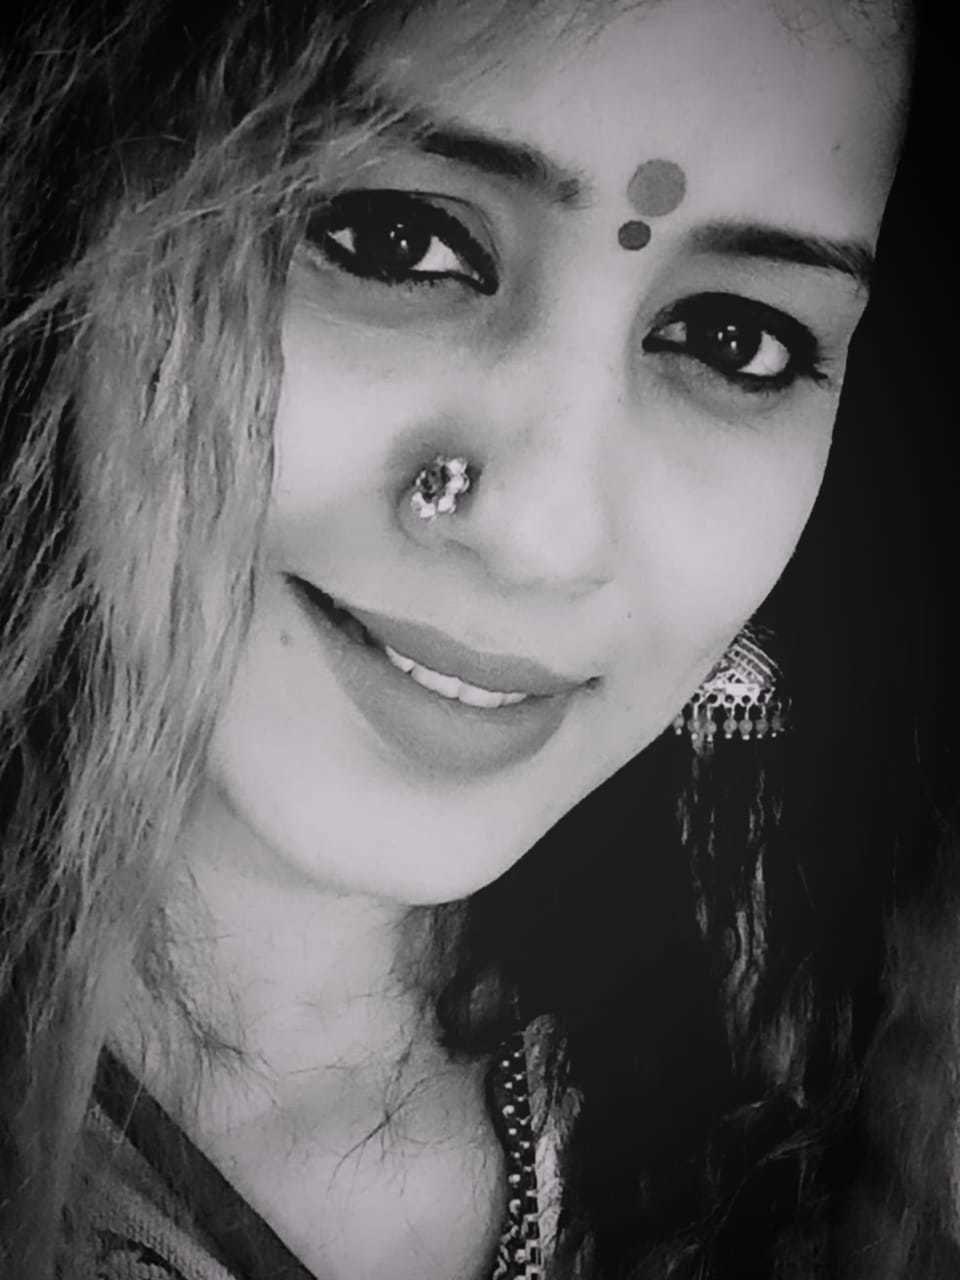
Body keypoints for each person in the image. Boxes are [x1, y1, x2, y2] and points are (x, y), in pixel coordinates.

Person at [0, 0, 921, 1277]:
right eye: (396, 239)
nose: (545, 537)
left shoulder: (836, 1019)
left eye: (734, 338)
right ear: (64, 203)